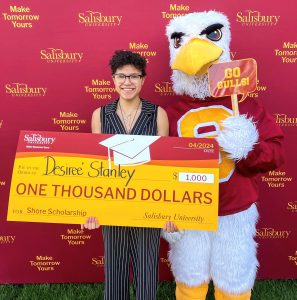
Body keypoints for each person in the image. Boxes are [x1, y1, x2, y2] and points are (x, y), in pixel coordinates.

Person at [82, 50, 169, 300]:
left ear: (143, 80)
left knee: (147, 268)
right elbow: (96, 168)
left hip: (148, 203)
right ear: (113, 79)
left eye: (134, 76)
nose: (127, 82)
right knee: (115, 268)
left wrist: (169, 211)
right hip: (112, 203)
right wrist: (91, 208)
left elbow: (165, 167)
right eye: (122, 76)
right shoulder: (100, 115)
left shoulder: (157, 114)